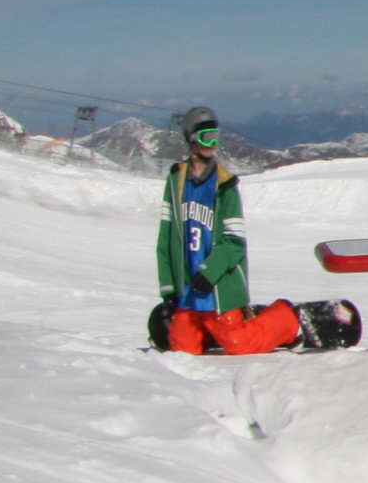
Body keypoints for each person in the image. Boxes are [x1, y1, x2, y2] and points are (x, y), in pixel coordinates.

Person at [153, 107, 357, 355]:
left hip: (218, 288)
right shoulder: (176, 182)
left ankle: (288, 318)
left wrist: (210, 271)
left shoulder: (224, 185)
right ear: (191, 137)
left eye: (216, 136)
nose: (213, 143)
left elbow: (235, 241)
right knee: (183, 350)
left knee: (238, 344)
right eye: (207, 136)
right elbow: (166, 238)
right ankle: (214, 327)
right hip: (188, 291)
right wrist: (168, 287)